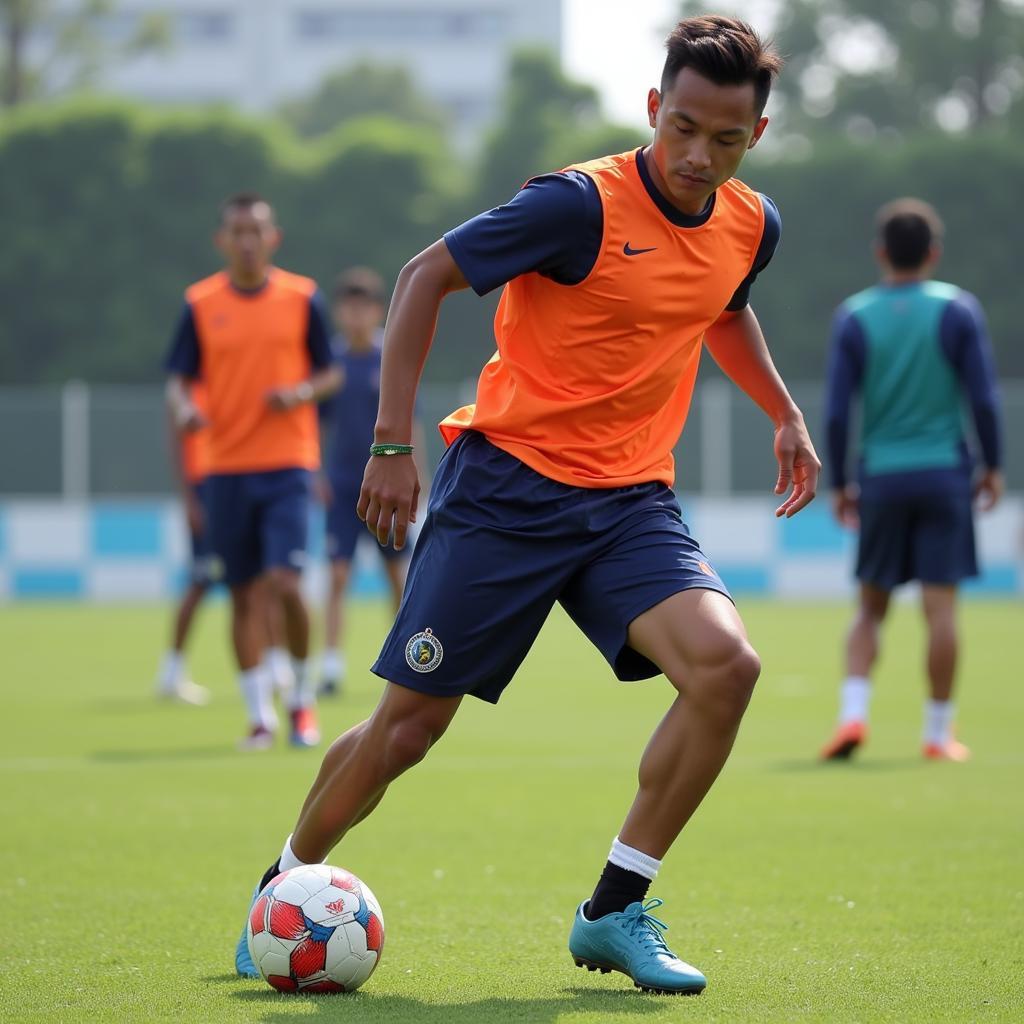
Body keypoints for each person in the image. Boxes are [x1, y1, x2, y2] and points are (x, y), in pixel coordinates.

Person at [235, 16, 820, 994]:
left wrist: (783, 410)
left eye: (723, 140)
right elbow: (426, 276)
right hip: (506, 486)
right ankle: (285, 888)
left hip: (629, 501)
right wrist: (390, 442)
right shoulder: (576, 205)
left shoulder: (748, 223)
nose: (695, 155)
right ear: (651, 110)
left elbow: (721, 304)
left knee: (725, 667)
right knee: (408, 729)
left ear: (753, 137)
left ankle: (613, 909)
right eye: (680, 128)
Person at [820, 198, 1003, 763]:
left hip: (881, 476)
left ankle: (852, 718)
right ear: (933, 253)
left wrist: (842, 481)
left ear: (880, 252)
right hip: (945, 474)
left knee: (870, 607)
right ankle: (937, 733)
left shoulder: (855, 315)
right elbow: (982, 397)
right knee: (940, 609)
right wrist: (992, 464)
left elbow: (836, 411)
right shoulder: (957, 309)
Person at [164, 193, 341, 750]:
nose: (246, 240)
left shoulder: (302, 297)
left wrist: (302, 392)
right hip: (224, 470)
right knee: (240, 595)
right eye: (237, 231)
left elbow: (331, 371)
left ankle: (301, 703)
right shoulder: (200, 303)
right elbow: (175, 378)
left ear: (273, 238)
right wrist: (185, 407)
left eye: (256, 231)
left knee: (287, 584)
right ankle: (259, 715)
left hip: (288, 463)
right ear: (222, 240)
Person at [317, 268, 420, 697]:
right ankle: (330, 667)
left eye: (364, 307)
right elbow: (316, 427)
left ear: (378, 311)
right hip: (342, 488)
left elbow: (408, 422)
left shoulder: (388, 357)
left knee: (397, 577)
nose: (356, 315)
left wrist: (420, 480)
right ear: (340, 312)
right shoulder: (330, 365)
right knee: (338, 576)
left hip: (387, 487)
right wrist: (315, 473)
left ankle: (399, 663)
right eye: (349, 307)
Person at [154, 380, 214, 706]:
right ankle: (171, 671)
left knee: (259, 581)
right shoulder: (184, 384)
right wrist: (189, 499)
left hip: (235, 480)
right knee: (200, 580)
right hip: (206, 488)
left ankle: (275, 668)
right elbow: (176, 441)